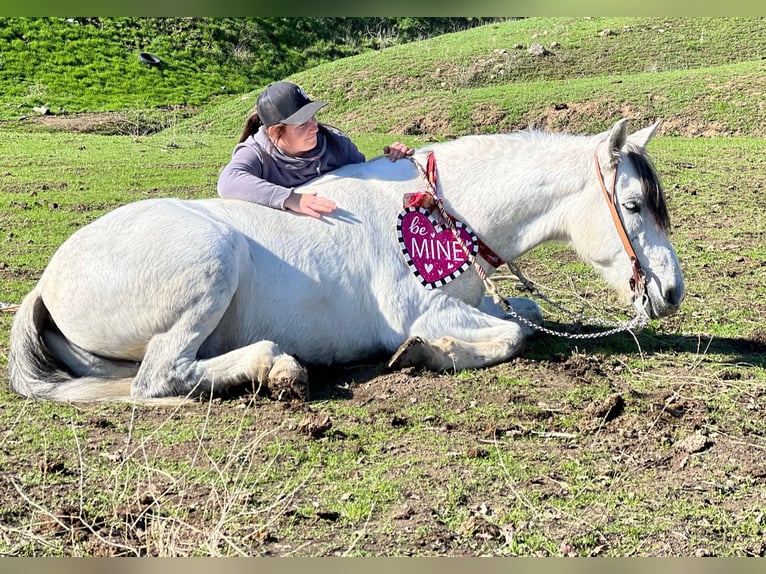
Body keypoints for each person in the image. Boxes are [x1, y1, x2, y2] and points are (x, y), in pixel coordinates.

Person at [217, 81, 414, 219]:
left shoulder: (336, 144)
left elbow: (362, 175)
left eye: (313, 116)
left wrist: (389, 160)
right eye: (302, 123)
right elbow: (228, 182)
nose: (314, 126)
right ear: (275, 131)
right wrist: (290, 198)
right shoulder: (257, 152)